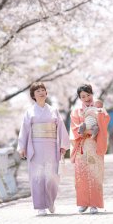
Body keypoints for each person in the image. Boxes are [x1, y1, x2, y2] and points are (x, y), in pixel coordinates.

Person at [17, 82, 70, 216]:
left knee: (52, 176)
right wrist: (22, 147)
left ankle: (50, 201)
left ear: (46, 93)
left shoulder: (54, 111)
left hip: (51, 146)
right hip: (35, 147)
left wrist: (63, 146)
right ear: (33, 95)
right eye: (38, 91)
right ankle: (41, 206)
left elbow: (61, 129)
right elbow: (24, 130)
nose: (41, 92)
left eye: (43, 90)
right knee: (37, 176)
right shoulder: (29, 112)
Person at [69, 84, 110, 214]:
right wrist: (88, 130)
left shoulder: (100, 109)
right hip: (82, 145)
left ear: (92, 94)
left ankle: (94, 204)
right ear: (79, 98)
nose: (86, 98)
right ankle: (83, 203)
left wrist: (90, 129)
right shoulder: (76, 111)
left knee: (95, 173)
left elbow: (104, 124)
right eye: (83, 96)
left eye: (88, 95)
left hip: (94, 144)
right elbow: (75, 129)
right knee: (81, 174)